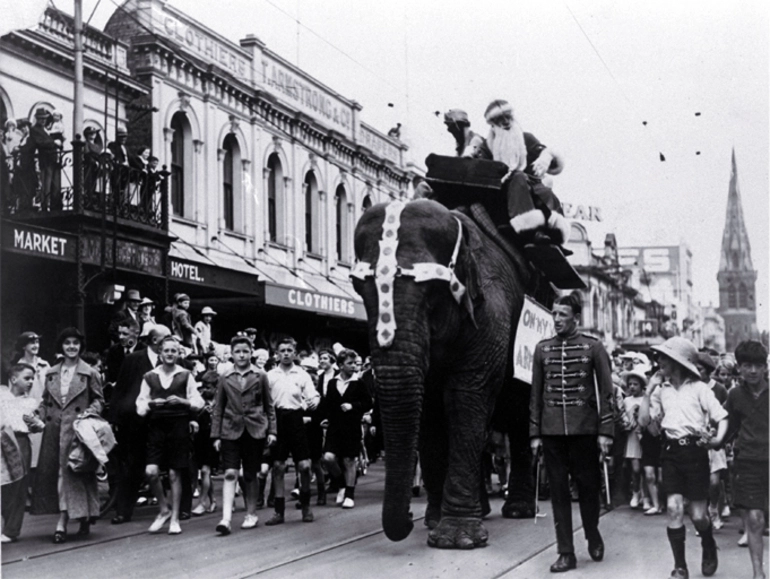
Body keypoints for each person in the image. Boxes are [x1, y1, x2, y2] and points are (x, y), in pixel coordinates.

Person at [529, 293, 614, 573]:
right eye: (554, 314)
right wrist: (535, 433)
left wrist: (605, 431)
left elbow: (607, 392)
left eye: (562, 315)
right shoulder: (542, 350)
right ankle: (566, 551)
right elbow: (536, 395)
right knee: (558, 494)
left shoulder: (593, 347)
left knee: (589, 490)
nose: (556, 320)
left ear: (576, 318)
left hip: (584, 431)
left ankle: (592, 532)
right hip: (552, 432)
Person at [639, 336, 728, 579]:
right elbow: (644, 422)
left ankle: (708, 543)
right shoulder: (661, 391)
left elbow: (722, 416)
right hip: (671, 453)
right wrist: (648, 391)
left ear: (679, 361)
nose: (659, 362)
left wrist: (717, 440)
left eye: (664, 358)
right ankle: (680, 567)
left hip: (696, 452)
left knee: (699, 515)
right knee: (673, 508)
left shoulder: (699, 389)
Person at [31, 327, 104, 544]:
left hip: (78, 431)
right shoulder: (51, 373)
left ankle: (65, 521)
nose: (71, 347)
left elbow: (99, 400)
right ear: (61, 346)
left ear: (81, 346)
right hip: (54, 432)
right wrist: (37, 415)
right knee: (60, 475)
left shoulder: (90, 372)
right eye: (67, 343)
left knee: (76, 474)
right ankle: (74, 517)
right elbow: (46, 402)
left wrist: (89, 414)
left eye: (75, 343)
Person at [136, 335, 204, 535]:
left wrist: (183, 402)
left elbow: (198, 402)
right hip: (156, 426)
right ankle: (163, 509)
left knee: (175, 473)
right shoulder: (150, 376)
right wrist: (151, 404)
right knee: (151, 472)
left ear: (178, 353)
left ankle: (174, 518)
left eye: (174, 351)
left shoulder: (185, 375)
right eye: (166, 350)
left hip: (178, 426)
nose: (170, 354)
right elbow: (140, 404)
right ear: (160, 352)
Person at [211, 336, 276, 535]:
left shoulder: (260, 375)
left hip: (254, 429)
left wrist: (272, 430)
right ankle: (226, 519)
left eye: (245, 351)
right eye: (238, 351)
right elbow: (218, 406)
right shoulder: (225, 377)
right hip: (230, 429)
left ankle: (251, 513)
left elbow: (269, 405)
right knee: (230, 473)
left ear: (251, 353)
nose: (241, 355)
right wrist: (216, 435)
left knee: (250, 474)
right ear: (232, 354)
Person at [483, 99, 570, 246]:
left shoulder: (526, 138)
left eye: (508, 116)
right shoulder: (487, 146)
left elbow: (546, 154)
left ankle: (554, 236)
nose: (505, 122)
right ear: (493, 123)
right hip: (503, 190)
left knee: (545, 192)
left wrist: (546, 157)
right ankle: (530, 231)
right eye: (500, 119)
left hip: (531, 186)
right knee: (518, 178)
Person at [108, 324, 170, 524]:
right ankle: (123, 511)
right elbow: (121, 390)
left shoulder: (173, 359)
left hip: (164, 422)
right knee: (132, 466)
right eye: (166, 339)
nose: (171, 343)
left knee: (175, 465)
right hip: (136, 422)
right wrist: (115, 419)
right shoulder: (133, 359)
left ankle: (180, 509)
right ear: (155, 341)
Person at [724, 340, 768, 579]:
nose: (753, 371)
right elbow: (727, 429)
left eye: (758, 365)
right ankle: (758, 573)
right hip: (748, 462)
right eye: (747, 365)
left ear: (765, 367)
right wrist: (712, 439)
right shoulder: (734, 395)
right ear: (739, 367)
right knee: (754, 518)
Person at [265, 337, 320, 525]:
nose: (286, 353)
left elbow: (313, 394)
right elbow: (265, 401)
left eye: (289, 350)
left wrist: (313, 401)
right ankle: (279, 511)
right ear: (277, 354)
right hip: (277, 419)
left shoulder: (302, 374)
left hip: (297, 419)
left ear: (295, 353)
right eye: (282, 350)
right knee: (278, 466)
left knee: (304, 466)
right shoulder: (270, 375)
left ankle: (306, 506)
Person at [321, 349, 372, 509]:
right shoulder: (332, 382)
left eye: (355, 363)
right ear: (341, 365)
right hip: (334, 428)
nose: (354, 367)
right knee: (328, 458)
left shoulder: (359, 383)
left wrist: (353, 406)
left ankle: (349, 494)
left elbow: (368, 403)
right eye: (350, 363)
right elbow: (328, 404)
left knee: (349, 460)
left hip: (351, 427)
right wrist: (324, 418)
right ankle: (341, 483)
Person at [0, 363, 45, 542]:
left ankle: (11, 530)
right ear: (13, 379)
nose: (30, 382)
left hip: (20, 442)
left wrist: (35, 423)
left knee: (18, 485)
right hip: (2, 441)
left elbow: (36, 427)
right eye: (27, 378)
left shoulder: (30, 403)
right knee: (3, 484)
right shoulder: (2, 396)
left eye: (32, 378)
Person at [621, 370, 646, 510]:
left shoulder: (646, 399)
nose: (632, 387)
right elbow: (624, 417)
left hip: (645, 436)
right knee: (635, 468)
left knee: (646, 468)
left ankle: (645, 494)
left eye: (635, 384)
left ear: (641, 385)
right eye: (630, 384)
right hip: (632, 436)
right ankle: (635, 493)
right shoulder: (627, 400)